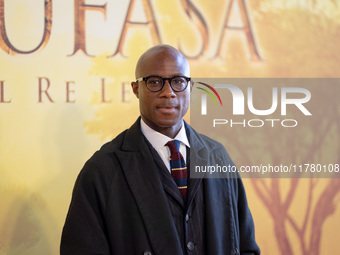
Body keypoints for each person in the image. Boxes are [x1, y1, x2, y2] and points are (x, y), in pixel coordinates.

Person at [60, 44, 260, 255]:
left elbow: (246, 246)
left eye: (178, 82)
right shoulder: (102, 170)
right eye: (154, 82)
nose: (168, 93)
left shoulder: (219, 158)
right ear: (136, 89)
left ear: (190, 88)